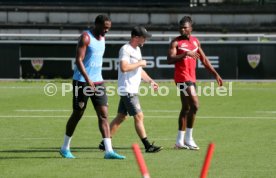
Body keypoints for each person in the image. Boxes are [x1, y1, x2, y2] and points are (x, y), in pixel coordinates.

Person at [60, 15, 125, 159]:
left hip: (98, 82)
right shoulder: (86, 37)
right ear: (97, 25)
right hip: (82, 82)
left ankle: (108, 151)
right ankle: (65, 148)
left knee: (103, 115)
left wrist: (95, 79)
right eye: (105, 28)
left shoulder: (103, 37)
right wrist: (88, 79)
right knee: (77, 114)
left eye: (109, 28)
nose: (107, 31)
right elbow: (78, 60)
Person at [98, 26, 163, 153]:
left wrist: (150, 81)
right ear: (136, 37)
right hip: (127, 89)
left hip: (130, 88)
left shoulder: (137, 49)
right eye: (144, 37)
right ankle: (147, 145)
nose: (145, 40)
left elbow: (139, 70)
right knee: (139, 116)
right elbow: (124, 67)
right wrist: (140, 63)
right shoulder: (125, 49)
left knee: (121, 117)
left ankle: (104, 143)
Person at [167, 16, 223, 150]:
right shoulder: (176, 42)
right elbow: (170, 59)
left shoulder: (196, 42)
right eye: (180, 27)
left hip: (191, 78)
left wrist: (215, 74)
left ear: (191, 28)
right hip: (182, 78)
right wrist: (185, 54)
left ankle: (179, 141)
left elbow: (204, 60)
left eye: (185, 27)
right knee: (195, 105)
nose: (182, 29)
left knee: (186, 108)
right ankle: (189, 138)